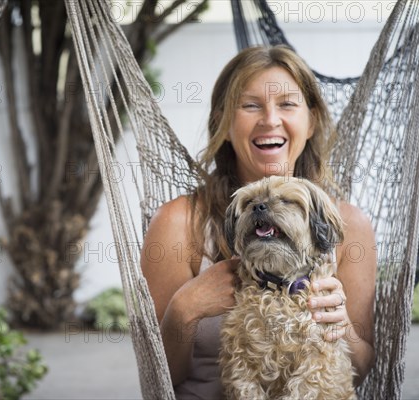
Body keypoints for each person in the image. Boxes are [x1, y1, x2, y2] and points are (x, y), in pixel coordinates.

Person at [140, 45, 376, 398]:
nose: (270, 120)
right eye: (250, 105)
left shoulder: (348, 225)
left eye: (287, 104)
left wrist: (342, 328)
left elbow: (363, 368)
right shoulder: (178, 223)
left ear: (310, 121)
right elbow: (155, 379)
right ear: (222, 121)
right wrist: (184, 309)